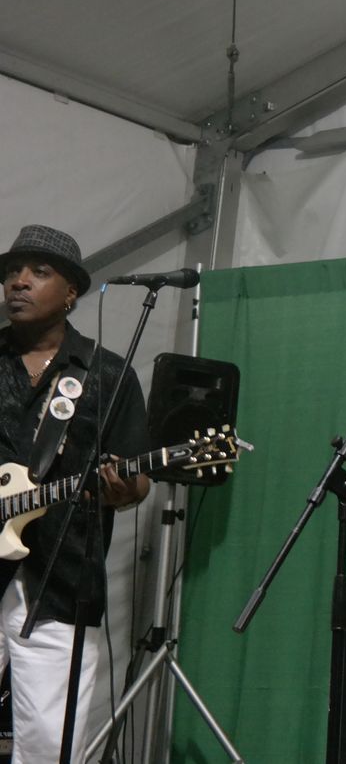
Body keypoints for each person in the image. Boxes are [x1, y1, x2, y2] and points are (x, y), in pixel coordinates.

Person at [0, 224, 150, 763]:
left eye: (38, 272)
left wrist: (120, 490)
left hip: (60, 578)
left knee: (49, 743)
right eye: (12, 272)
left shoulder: (108, 374)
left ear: (71, 293)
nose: (18, 282)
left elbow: (136, 479)